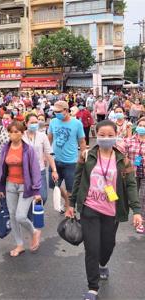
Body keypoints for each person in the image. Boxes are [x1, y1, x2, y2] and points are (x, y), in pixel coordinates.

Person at [66, 120, 143, 300]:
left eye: (110, 135)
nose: (106, 138)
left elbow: (131, 185)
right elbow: (77, 180)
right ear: (96, 134)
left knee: (107, 246)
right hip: (89, 209)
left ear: (116, 135)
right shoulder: (86, 155)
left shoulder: (123, 159)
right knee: (91, 249)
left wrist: (137, 211)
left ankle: (103, 263)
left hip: (112, 211)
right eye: (102, 135)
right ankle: (93, 287)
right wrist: (71, 204)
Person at [0, 120, 42, 257]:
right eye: (10, 132)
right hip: (10, 185)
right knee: (12, 216)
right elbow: (1, 168)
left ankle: (34, 231)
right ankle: (19, 245)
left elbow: (35, 170)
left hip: (25, 186)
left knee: (20, 216)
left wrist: (36, 190)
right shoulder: (6, 148)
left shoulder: (28, 149)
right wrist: (0, 187)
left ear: (22, 133)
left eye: (16, 132)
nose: (13, 134)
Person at [48, 101, 86, 213]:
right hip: (55, 160)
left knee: (71, 188)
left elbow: (82, 141)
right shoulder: (53, 122)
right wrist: (46, 154)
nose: (56, 114)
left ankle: (69, 209)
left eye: (58, 112)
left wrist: (83, 155)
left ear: (66, 110)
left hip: (71, 162)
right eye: (54, 112)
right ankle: (66, 200)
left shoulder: (77, 124)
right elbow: (49, 138)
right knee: (53, 185)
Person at [23, 114, 58, 207]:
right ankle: (31, 217)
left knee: (43, 196)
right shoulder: (21, 136)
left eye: (36, 122)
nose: (34, 124)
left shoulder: (42, 136)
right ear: (26, 123)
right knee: (28, 197)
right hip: (25, 171)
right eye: (32, 122)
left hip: (40, 170)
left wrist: (54, 170)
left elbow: (48, 153)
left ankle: (36, 214)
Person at [120, 117, 145, 233]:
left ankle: (141, 220)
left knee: (143, 197)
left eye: (144, 126)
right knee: (132, 196)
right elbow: (120, 150)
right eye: (140, 125)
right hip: (132, 172)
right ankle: (136, 213)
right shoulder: (129, 140)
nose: (142, 128)